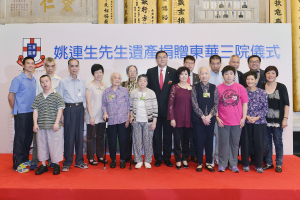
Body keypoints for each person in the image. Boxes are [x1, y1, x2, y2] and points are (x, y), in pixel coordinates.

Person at [146, 51, 178, 167]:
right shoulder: (150, 72)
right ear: (156, 59)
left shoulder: (174, 72)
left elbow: (176, 91)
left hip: (169, 110)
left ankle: (167, 158)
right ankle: (158, 157)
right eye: (159, 57)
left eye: (164, 57)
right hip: (154, 111)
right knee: (156, 135)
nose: (162, 59)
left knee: (168, 135)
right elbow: (148, 91)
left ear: (167, 58)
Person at [30, 57, 61, 170]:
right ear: (44, 67)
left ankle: (53, 162)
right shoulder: (40, 80)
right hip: (42, 117)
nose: (50, 68)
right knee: (40, 142)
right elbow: (38, 100)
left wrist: (60, 118)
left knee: (53, 141)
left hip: (53, 117)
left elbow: (60, 104)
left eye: (52, 66)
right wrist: (36, 121)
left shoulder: (59, 80)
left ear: (55, 66)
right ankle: (37, 163)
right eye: (48, 66)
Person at [216, 66, 248, 173]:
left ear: (234, 75)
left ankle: (233, 164)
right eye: (226, 74)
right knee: (223, 143)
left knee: (235, 144)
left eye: (231, 73)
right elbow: (215, 105)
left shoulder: (240, 87)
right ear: (223, 75)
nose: (229, 76)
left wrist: (243, 118)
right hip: (223, 121)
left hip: (237, 121)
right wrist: (217, 117)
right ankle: (223, 164)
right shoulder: (218, 88)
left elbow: (244, 104)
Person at [58, 58, 88, 172]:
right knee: (69, 137)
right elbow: (60, 99)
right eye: (72, 66)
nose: (74, 68)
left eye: (76, 66)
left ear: (79, 67)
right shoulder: (63, 81)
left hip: (80, 108)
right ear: (68, 67)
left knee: (79, 136)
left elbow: (84, 98)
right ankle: (67, 162)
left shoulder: (82, 81)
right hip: (68, 109)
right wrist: (61, 115)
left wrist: (84, 112)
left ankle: (79, 161)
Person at [8, 56, 36, 173]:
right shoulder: (18, 79)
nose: (30, 65)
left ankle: (25, 159)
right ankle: (17, 164)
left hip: (32, 112)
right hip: (21, 113)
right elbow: (10, 96)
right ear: (23, 65)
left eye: (32, 63)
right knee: (20, 138)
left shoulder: (34, 79)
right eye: (28, 63)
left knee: (29, 137)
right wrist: (16, 109)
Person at [262, 66, 289, 173]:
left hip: (278, 120)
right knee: (267, 142)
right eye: (268, 73)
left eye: (273, 73)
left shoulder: (281, 87)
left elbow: (286, 104)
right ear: (265, 75)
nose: (270, 75)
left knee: (278, 142)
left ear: (276, 74)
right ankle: (268, 163)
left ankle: (279, 163)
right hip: (264, 120)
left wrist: (285, 118)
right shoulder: (261, 86)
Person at [191, 67, 219, 172]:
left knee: (209, 140)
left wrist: (209, 116)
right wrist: (203, 116)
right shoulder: (195, 87)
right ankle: (199, 163)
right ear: (199, 76)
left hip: (210, 119)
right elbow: (194, 104)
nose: (204, 75)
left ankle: (208, 162)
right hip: (198, 119)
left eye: (206, 73)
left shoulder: (213, 87)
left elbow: (216, 103)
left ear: (209, 75)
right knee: (198, 140)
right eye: (202, 74)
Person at [241, 71, 268, 173]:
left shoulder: (262, 92)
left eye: (252, 79)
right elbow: (240, 106)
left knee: (259, 144)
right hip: (245, 121)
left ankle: (258, 165)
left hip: (259, 122)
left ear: (256, 80)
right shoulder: (242, 91)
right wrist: (247, 117)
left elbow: (265, 108)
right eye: (248, 79)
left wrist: (257, 117)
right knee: (245, 143)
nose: (250, 81)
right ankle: (245, 164)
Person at [102, 72, 130, 169]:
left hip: (123, 119)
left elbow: (128, 105)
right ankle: (113, 159)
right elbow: (104, 105)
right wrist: (105, 113)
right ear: (111, 80)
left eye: (119, 78)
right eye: (115, 78)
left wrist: (128, 118)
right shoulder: (106, 91)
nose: (117, 80)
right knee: (112, 141)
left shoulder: (124, 90)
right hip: (111, 120)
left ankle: (122, 160)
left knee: (123, 141)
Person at [129, 74, 158, 169]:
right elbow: (131, 107)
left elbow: (155, 109)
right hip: (137, 121)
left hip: (148, 121)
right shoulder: (133, 92)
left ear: (147, 82)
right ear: (137, 82)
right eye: (140, 80)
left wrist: (154, 122)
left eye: (144, 80)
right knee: (137, 141)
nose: (142, 82)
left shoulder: (151, 93)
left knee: (148, 141)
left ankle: (148, 160)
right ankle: (138, 160)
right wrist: (131, 116)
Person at [167, 67, 192, 170]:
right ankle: (178, 159)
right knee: (177, 140)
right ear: (178, 76)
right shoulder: (174, 87)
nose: (184, 76)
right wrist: (172, 118)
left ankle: (185, 158)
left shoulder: (192, 88)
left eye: (186, 74)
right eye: (181, 74)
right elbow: (170, 104)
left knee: (186, 141)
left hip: (189, 118)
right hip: (177, 118)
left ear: (188, 75)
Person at [85, 64, 107, 166]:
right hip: (92, 115)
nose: (99, 74)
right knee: (90, 137)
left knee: (100, 137)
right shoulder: (90, 86)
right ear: (93, 74)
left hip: (102, 116)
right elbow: (88, 102)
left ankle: (100, 156)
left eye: (100, 72)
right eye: (96, 72)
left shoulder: (104, 85)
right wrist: (91, 116)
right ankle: (90, 157)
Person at [183, 55, 200, 163]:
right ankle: (184, 154)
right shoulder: (180, 76)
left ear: (194, 65)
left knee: (195, 132)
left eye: (191, 63)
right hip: (183, 108)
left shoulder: (198, 77)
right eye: (187, 63)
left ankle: (193, 154)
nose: (189, 65)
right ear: (184, 63)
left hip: (196, 108)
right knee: (185, 132)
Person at [121, 65, 139, 164]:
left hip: (138, 113)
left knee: (136, 137)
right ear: (127, 73)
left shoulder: (140, 83)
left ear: (137, 73)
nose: (132, 73)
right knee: (126, 137)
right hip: (125, 114)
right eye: (130, 71)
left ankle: (136, 158)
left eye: (134, 71)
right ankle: (126, 156)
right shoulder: (122, 84)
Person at [208, 55, 223, 167]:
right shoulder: (206, 75)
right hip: (210, 111)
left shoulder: (225, 76)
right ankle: (210, 158)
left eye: (217, 63)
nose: (215, 65)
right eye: (213, 63)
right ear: (210, 64)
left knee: (219, 136)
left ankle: (218, 157)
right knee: (210, 136)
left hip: (223, 111)